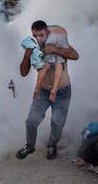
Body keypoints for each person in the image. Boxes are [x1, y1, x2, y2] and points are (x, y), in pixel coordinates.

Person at [16, 20, 79, 160]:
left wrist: (54, 50)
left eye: (41, 35)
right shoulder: (32, 46)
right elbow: (23, 72)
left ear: (47, 33)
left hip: (62, 91)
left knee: (57, 122)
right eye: (35, 35)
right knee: (31, 121)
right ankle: (29, 146)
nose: (38, 38)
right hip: (43, 92)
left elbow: (75, 55)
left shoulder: (57, 42)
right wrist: (27, 55)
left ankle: (52, 145)